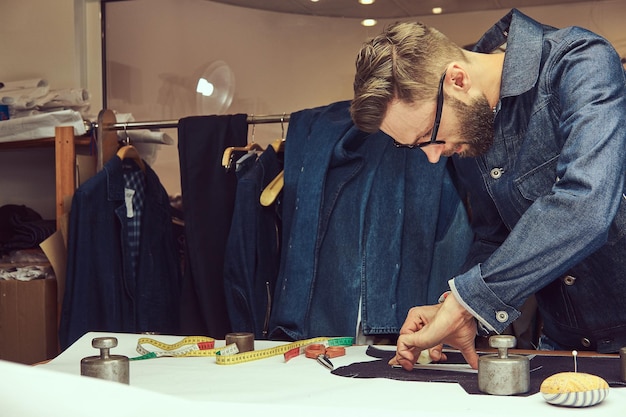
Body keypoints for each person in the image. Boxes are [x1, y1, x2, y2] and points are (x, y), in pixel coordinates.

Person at [350, 8, 626, 370]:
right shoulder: (468, 125)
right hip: (563, 345)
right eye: (415, 147)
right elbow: (494, 235)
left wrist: (469, 300)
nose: (434, 156)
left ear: (457, 80)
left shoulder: (579, 62)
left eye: (429, 137)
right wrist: (455, 304)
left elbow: (586, 205)